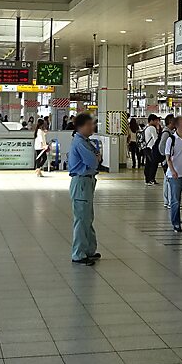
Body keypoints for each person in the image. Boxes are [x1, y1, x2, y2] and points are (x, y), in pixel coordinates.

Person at [67, 113, 101, 265]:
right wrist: (96, 158)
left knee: (87, 218)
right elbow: (93, 161)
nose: (92, 127)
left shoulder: (86, 141)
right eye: (90, 124)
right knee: (81, 219)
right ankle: (78, 254)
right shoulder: (80, 142)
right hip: (81, 182)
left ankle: (88, 250)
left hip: (87, 182)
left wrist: (96, 158)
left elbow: (97, 157)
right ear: (82, 127)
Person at [160, 114, 176, 208]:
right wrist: (166, 157)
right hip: (166, 160)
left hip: (166, 160)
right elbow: (162, 146)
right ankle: (170, 202)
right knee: (170, 181)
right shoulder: (166, 133)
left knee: (167, 180)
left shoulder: (169, 132)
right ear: (170, 122)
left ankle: (167, 201)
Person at [142, 114, 160, 185]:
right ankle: (151, 179)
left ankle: (147, 179)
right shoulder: (152, 128)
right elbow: (156, 139)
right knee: (153, 164)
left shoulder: (146, 127)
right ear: (151, 120)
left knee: (148, 164)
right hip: (151, 149)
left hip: (146, 148)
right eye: (156, 121)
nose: (157, 122)